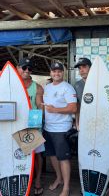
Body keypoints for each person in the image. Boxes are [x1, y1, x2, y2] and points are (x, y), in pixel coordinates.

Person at [43, 61, 77, 196]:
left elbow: (73, 108)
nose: (56, 73)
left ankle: (66, 187)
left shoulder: (68, 88)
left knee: (63, 158)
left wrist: (54, 110)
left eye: (59, 71)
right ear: (50, 73)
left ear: (63, 72)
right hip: (48, 128)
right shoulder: (47, 87)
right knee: (52, 156)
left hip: (62, 129)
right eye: (54, 71)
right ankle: (59, 178)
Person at [17, 57, 45, 196]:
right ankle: (20, 179)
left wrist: (43, 108)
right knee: (18, 154)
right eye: (24, 68)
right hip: (15, 125)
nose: (27, 71)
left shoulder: (37, 87)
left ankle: (38, 180)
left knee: (37, 154)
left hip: (32, 125)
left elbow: (39, 104)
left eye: (29, 69)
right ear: (18, 68)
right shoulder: (11, 84)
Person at [74, 57, 91, 130]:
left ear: (91, 68)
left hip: (101, 120)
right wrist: (77, 123)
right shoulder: (77, 85)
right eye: (79, 68)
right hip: (84, 122)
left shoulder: (101, 83)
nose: (82, 70)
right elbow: (77, 106)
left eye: (84, 67)